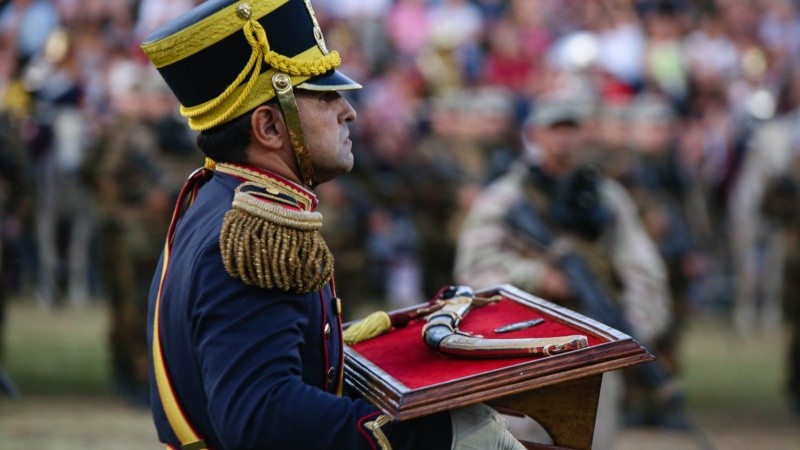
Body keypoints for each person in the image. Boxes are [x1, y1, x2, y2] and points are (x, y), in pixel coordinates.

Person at [141, 1, 524, 449]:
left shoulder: (216, 198)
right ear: (268, 127)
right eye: (325, 97)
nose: (348, 111)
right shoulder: (259, 232)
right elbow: (260, 416)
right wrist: (430, 435)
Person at [453, 93, 686, 442]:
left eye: (572, 129)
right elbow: (473, 269)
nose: (564, 138)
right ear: (534, 134)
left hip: (594, 344)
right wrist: (538, 277)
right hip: (522, 344)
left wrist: (631, 332)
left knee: (594, 436)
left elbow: (643, 270)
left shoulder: (608, 198)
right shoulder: (506, 199)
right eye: (554, 128)